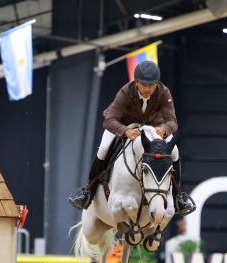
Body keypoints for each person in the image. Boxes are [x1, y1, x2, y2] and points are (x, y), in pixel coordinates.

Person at [68, 60, 196, 216]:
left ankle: (177, 197)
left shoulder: (164, 92)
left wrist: (164, 129)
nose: (147, 89)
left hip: (152, 127)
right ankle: (89, 191)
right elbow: (109, 120)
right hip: (123, 125)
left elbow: (172, 121)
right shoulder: (125, 92)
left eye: (151, 85)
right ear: (136, 82)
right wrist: (126, 131)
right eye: (144, 84)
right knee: (103, 149)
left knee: (174, 152)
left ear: (157, 83)